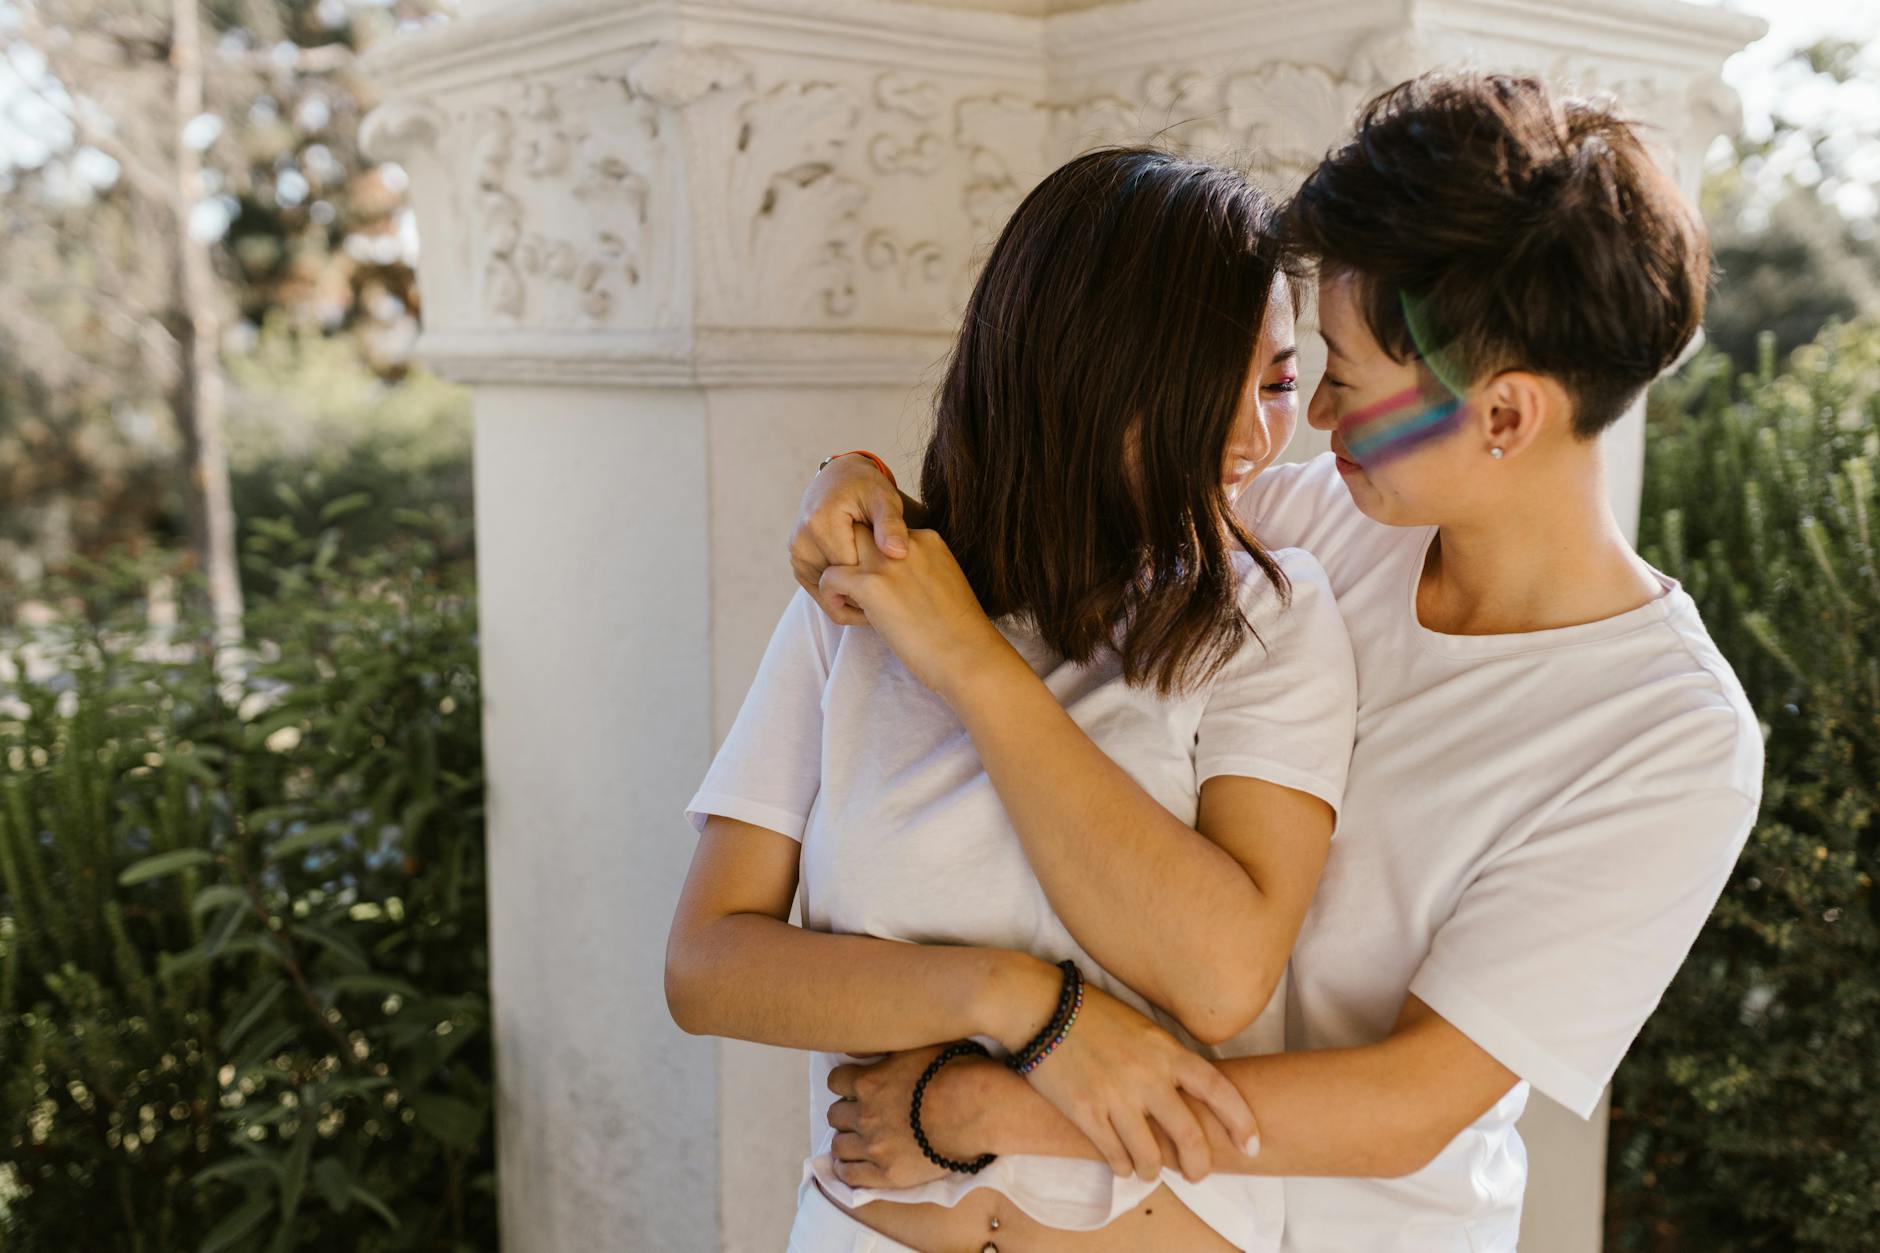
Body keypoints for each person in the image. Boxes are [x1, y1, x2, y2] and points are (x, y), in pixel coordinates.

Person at [788, 72, 1766, 1251]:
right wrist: (856, 488)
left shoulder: (1666, 737)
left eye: (1339, 384)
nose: (1298, 427)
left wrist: (994, 1101)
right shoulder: (1311, 522)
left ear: (1502, 417)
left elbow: (1409, 1101)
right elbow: (1054, 496)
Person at [665, 146, 1360, 1252]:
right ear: (1077, 368)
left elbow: (1219, 975)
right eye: (1196, 391)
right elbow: (706, 967)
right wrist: (1021, 1004)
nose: (1250, 439)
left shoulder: (1264, 617)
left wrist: (970, 666)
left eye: (1275, 381)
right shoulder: (859, 607)